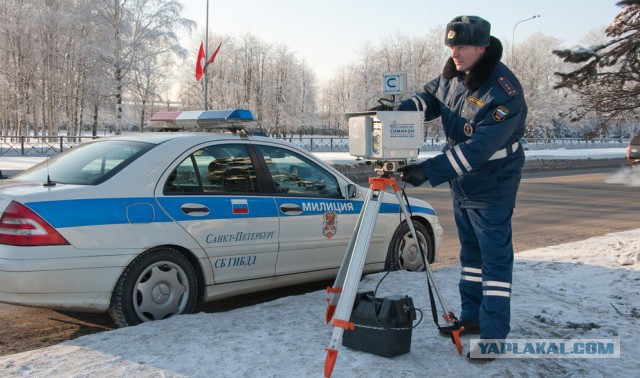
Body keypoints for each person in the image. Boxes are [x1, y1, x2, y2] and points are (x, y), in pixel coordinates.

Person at [394, 15, 527, 361]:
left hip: (493, 183)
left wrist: (427, 171)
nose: (454, 51)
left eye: (461, 45)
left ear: (482, 48)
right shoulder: (453, 75)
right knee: (471, 257)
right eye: (451, 45)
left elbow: (477, 150)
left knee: (494, 263)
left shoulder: (504, 90)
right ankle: (472, 317)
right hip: (463, 182)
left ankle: (495, 335)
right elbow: (429, 99)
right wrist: (399, 111)